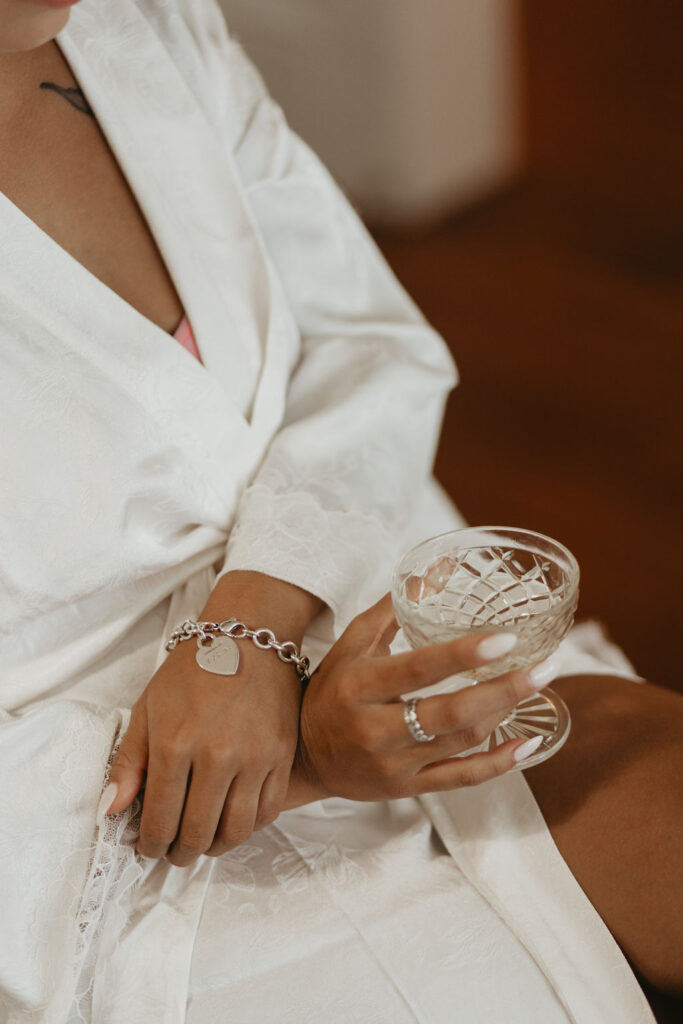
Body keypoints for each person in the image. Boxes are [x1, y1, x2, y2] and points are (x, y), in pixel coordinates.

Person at [0, 1, 680, 1021]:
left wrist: (252, 631)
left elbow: (366, 342)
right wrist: (302, 761)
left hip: (372, 626)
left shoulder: (144, 25)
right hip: (122, 850)